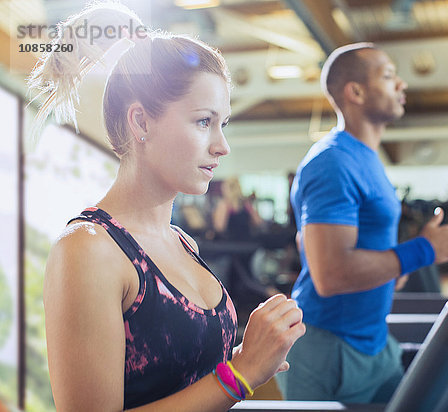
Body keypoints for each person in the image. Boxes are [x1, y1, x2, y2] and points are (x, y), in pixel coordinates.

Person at [33, 4, 304, 411]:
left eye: (222, 124)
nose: (222, 146)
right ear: (141, 122)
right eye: (203, 122)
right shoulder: (88, 251)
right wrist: (241, 373)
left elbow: (178, 379)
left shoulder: (182, 243)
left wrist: (255, 357)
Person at [275, 42, 448, 403]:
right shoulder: (332, 162)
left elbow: (382, 264)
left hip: (375, 342)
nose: (401, 85)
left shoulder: (367, 160)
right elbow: (330, 275)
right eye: (389, 76)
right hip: (327, 346)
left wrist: (416, 254)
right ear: (356, 92)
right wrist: (424, 248)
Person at [212, 176, 262, 241]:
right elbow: (258, 222)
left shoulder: (224, 205)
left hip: (230, 243)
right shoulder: (246, 204)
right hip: (247, 242)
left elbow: (219, 227)